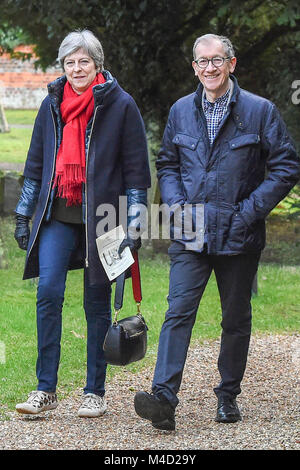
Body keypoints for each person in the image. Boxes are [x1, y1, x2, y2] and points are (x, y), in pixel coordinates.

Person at [134, 33, 300, 430]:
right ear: (194, 67)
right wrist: (174, 205)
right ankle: (164, 398)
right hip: (189, 234)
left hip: (239, 235)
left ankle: (228, 396)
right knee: (177, 313)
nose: (209, 67)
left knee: (236, 318)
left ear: (231, 64)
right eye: (202, 61)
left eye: (217, 60)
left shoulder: (259, 112)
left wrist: (248, 212)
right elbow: (168, 162)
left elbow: (286, 166)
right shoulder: (180, 110)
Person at [14, 30, 151, 417]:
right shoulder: (51, 104)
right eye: (70, 62)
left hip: (103, 220)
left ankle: (95, 391)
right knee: (48, 293)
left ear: (97, 65)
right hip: (58, 215)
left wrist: (136, 226)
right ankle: (45, 389)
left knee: (96, 304)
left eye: (84, 62)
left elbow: (137, 174)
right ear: (64, 67)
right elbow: (35, 167)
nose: (77, 69)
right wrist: (24, 214)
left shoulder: (121, 105)